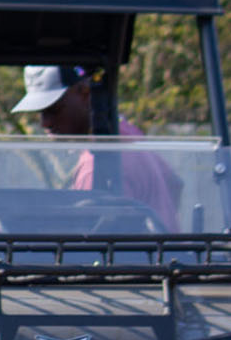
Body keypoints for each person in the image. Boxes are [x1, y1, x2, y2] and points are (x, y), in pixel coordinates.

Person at [12, 65, 182, 230]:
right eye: (40, 112)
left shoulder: (96, 169)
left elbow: (90, 246)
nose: (45, 123)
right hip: (163, 255)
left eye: (53, 110)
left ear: (85, 93)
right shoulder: (129, 135)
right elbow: (175, 184)